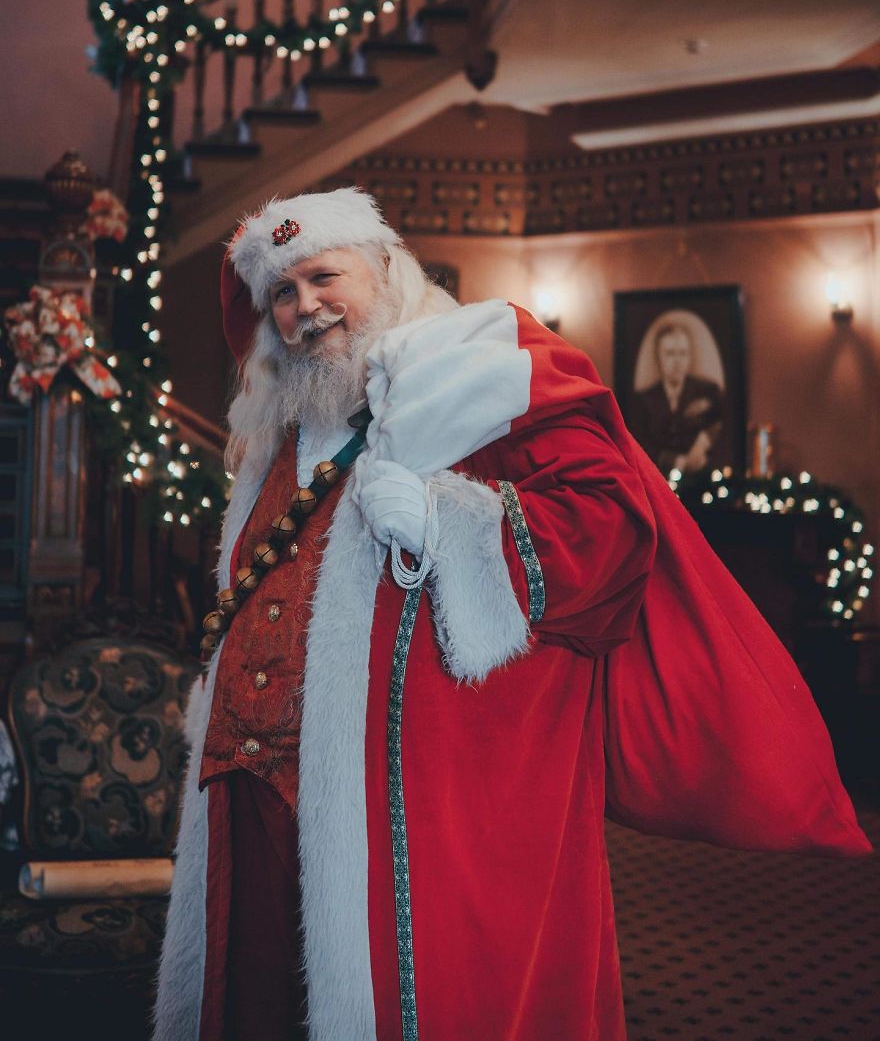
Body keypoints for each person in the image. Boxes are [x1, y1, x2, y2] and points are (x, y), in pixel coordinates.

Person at [153, 188, 870, 1041]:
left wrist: (452, 525)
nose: (305, 308)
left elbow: (610, 529)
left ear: (381, 269)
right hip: (256, 793)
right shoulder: (280, 421)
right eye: (283, 292)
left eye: (322, 277)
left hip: (419, 803)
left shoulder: (481, 357)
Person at [630, 321, 725, 476]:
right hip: (657, 482)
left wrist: (704, 441)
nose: (677, 361)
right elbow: (639, 444)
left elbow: (723, 424)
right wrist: (678, 462)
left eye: (682, 353)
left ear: (689, 357)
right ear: (658, 357)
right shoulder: (644, 400)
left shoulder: (708, 391)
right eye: (670, 353)